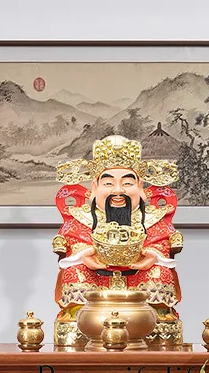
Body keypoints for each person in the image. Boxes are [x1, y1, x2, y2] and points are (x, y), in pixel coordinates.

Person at [52, 135, 183, 345]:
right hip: (97, 276)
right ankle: (76, 318)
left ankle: (160, 319)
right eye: (108, 183)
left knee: (162, 273)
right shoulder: (82, 215)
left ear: (140, 187)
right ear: (94, 187)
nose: (118, 190)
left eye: (128, 182)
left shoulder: (151, 216)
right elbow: (72, 240)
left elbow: (162, 241)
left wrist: (151, 256)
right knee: (73, 272)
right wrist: (85, 256)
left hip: (138, 275)